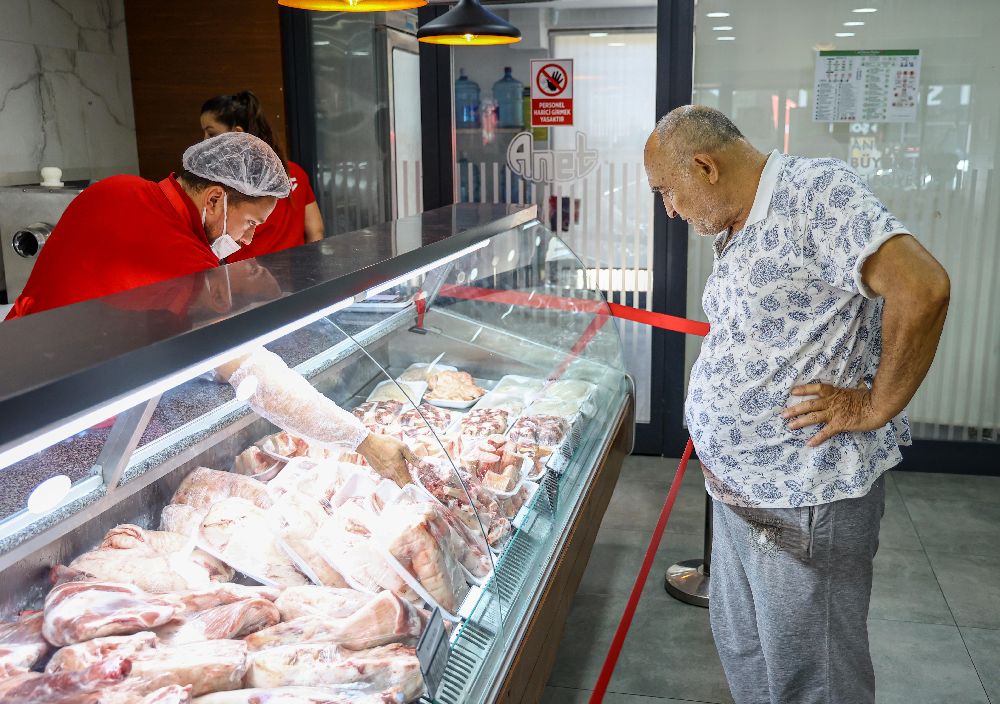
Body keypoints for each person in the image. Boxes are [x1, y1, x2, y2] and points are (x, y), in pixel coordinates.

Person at [644, 105, 949, 704]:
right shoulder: (739, 220)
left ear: (705, 166)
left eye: (666, 191)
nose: (669, 210)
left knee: (814, 676)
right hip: (740, 493)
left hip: (805, 495)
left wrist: (876, 405)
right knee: (748, 650)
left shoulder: (815, 194)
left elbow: (924, 286)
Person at [7, 132, 414, 486]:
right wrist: (363, 441)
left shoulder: (114, 188)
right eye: (251, 223)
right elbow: (252, 372)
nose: (249, 240)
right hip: (64, 420)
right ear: (216, 199)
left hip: (14, 373)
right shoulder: (183, 258)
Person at [200, 90, 324, 261]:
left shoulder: (224, 184)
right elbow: (316, 231)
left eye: (212, 133)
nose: (204, 141)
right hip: (297, 273)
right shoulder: (295, 172)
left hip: (245, 275)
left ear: (237, 133)